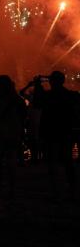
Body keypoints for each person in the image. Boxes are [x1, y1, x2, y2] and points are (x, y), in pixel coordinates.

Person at [0, 75, 27, 199]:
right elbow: (24, 115)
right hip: (12, 134)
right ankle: (12, 188)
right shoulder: (17, 99)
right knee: (11, 162)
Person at [37, 71, 77, 200]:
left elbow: (37, 103)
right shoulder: (72, 95)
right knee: (68, 161)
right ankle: (73, 189)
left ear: (52, 81)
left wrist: (38, 86)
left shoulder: (48, 96)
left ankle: (56, 191)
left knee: (52, 163)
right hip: (66, 132)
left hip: (50, 132)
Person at [19, 78, 44, 164]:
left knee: (33, 140)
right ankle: (38, 158)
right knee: (37, 140)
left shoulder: (32, 98)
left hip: (33, 123)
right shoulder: (41, 99)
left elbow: (21, 92)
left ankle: (34, 158)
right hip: (39, 123)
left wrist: (29, 85)